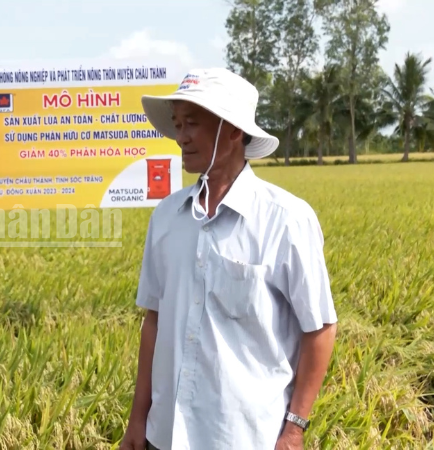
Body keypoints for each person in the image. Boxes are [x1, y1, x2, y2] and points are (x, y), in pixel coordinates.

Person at [120, 68, 338, 450]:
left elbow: (319, 329)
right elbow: (153, 322)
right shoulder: (167, 217)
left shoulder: (286, 219)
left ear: (234, 130)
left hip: (243, 437)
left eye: (192, 124)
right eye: (176, 124)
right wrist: (138, 419)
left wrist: (294, 428)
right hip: (165, 435)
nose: (180, 136)